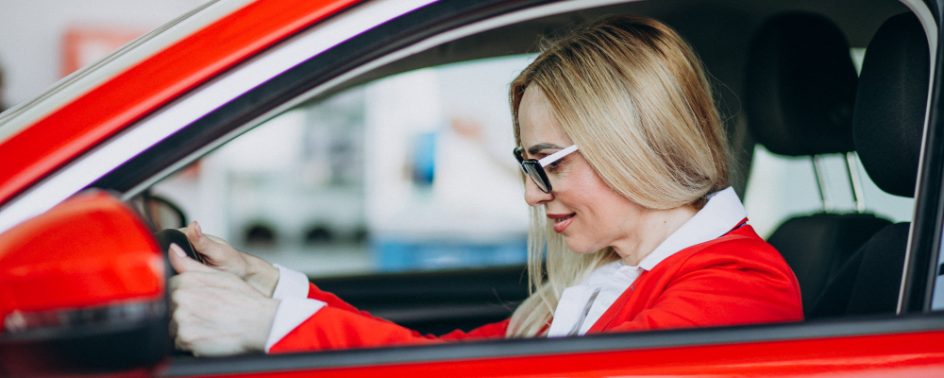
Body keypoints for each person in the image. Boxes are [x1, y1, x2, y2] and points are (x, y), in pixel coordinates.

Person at [168, 16, 803, 356]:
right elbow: (438, 357)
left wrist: (274, 325)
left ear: (629, 144)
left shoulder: (739, 289)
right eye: (528, 166)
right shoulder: (609, 277)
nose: (532, 194)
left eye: (549, 162)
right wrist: (274, 289)